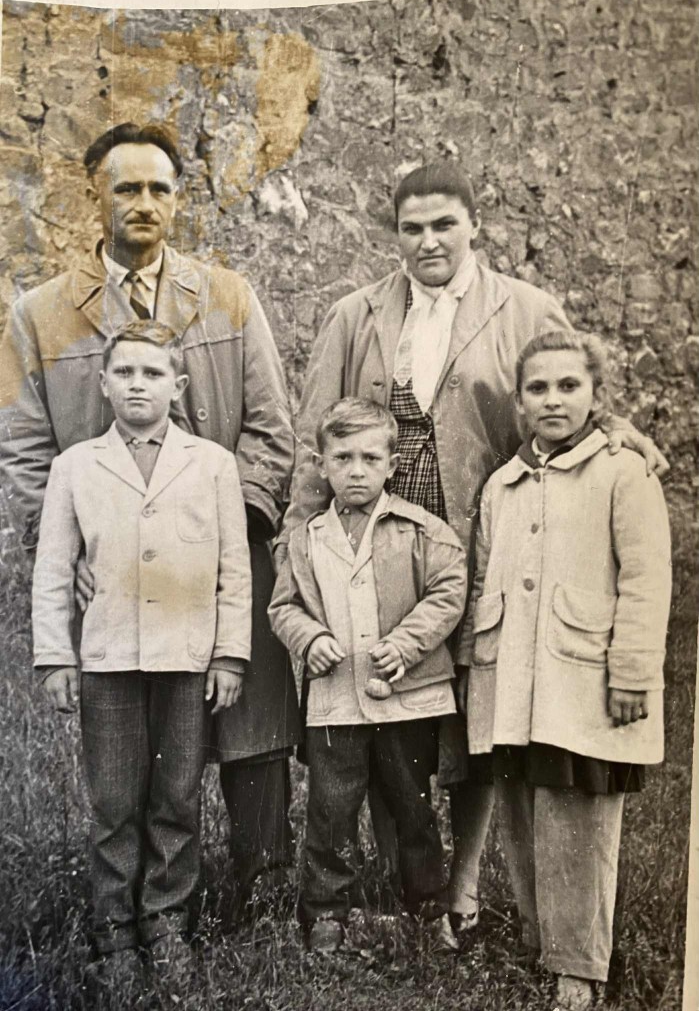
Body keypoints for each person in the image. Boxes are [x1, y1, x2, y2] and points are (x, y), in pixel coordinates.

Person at [276, 161, 667, 935]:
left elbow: (574, 399)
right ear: (394, 234)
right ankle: (403, 882)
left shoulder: (524, 308)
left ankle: (459, 887)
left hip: (485, 539)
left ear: (473, 225)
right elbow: (315, 438)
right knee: (386, 702)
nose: (428, 242)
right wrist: (298, 537)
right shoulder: (355, 315)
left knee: (473, 710)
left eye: (443, 225)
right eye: (411, 228)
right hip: (377, 541)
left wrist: (624, 433)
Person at [0, 123, 300, 908]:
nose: (144, 202)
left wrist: (226, 525)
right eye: (126, 187)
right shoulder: (40, 314)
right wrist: (68, 549)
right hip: (112, 569)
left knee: (249, 717)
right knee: (132, 738)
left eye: (159, 188)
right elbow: (24, 449)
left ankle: (261, 884)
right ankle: (137, 897)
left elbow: (272, 425)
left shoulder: (227, 296)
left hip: (227, 553)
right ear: (92, 195)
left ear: (178, 199)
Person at [32, 322, 253, 990]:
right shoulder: (75, 467)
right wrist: (55, 657)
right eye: (124, 372)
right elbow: (53, 569)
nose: (137, 385)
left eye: (152, 373)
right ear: (103, 384)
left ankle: (166, 923)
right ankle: (114, 935)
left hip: (185, 659)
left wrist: (229, 655)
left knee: (177, 796)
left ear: (177, 386)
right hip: (110, 659)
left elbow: (234, 568)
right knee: (114, 801)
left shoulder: (212, 464)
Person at [460, 329, 671, 1010]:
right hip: (513, 680)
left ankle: (579, 964)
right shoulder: (503, 484)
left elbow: (645, 580)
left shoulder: (622, 471)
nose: (552, 400)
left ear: (595, 394)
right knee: (522, 811)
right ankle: (537, 938)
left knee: (576, 819)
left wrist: (630, 671)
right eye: (538, 388)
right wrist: (475, 667)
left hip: (583, 680)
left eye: (568, 385)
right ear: (519, 403)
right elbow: (482, 584)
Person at [268, 398, 467, 952]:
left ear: (392, 464)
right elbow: (283, 607)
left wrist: (405, 643)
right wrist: (311, 639)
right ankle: (326, 911)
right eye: (342, 458)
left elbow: (449, 591)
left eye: (370, 459)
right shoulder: (306, 538)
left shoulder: (421, 531)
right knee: (330, 810)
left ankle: (428, 906)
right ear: (321, 464)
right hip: (335, 701)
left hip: (406, 698)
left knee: (414, 808)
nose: (356, 471)